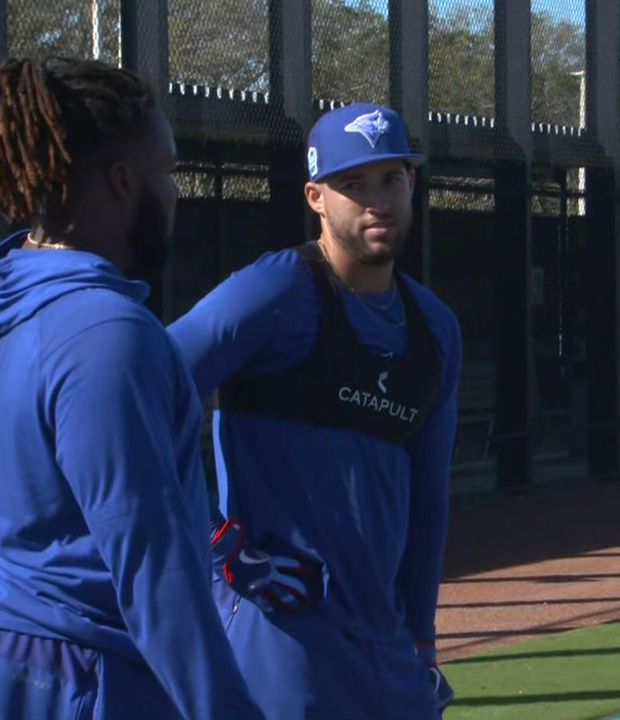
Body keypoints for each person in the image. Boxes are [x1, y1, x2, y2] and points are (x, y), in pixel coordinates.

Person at [0, 56, 264, 720]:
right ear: (119, 181)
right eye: (166, 172)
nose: (175, 193)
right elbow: (153, 572)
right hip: (74, 671)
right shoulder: (108, 333)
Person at [167, 102, 462, 718]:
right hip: (278, 640)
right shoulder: (274, 293)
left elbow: (429, 498)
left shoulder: (436, 329)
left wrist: (423, 638)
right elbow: (144, 395)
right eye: (352, 184)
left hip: (386, 650)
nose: (376, 200)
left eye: (391, 179)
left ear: (413, 184)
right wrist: (218, 541)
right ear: (315, 197)